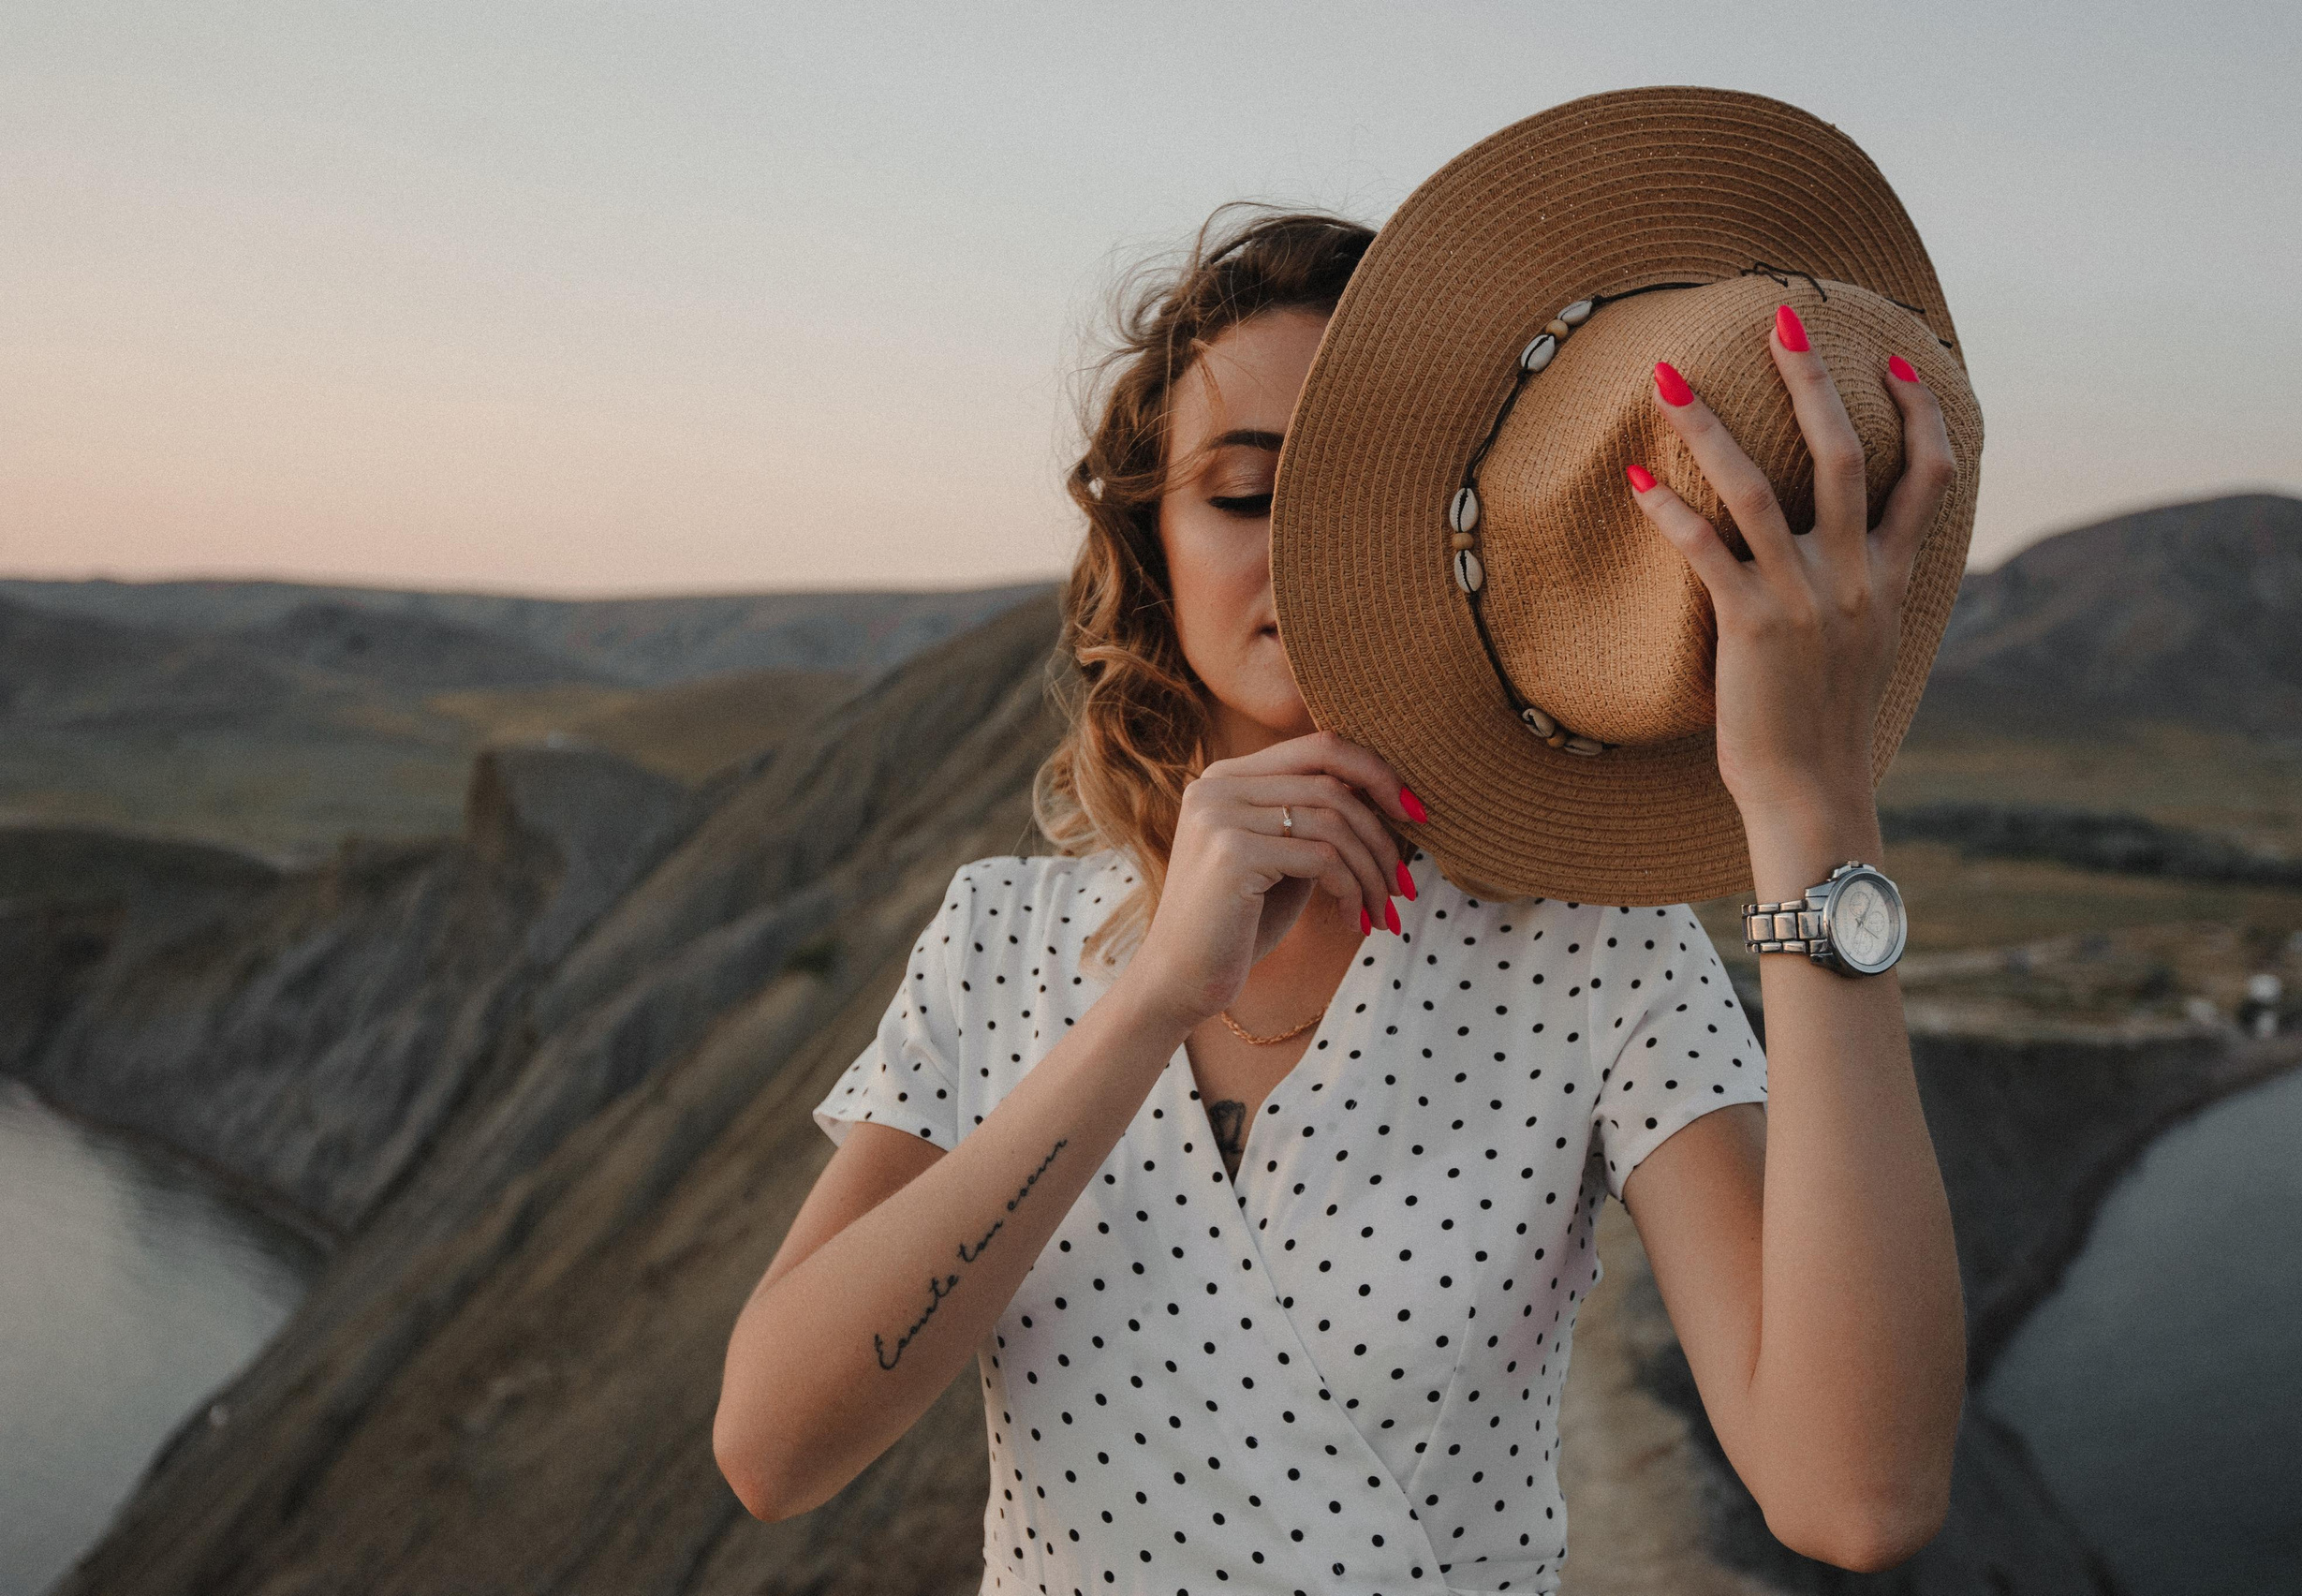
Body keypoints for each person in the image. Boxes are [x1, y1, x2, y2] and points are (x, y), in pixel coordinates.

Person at [716, 89, 1971, 1592]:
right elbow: (772, 1450)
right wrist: (1152, 1001)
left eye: (1364, 483)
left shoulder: (1588, 953)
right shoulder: (1004, 942)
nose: (1304, 541)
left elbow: (1856, 1496)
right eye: (1246, 491)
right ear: (1145, 552)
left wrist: (1813, 811)